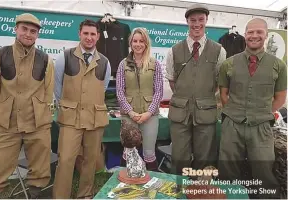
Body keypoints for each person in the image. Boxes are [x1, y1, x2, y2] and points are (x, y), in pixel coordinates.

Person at [0, 13, 55, 199]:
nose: (28, 34)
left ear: (37, 34)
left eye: (33, 31)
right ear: (16, 29)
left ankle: (36, 193)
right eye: (24, 29)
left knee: (40, 165)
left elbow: (48, 91)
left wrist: (41, 113)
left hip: (37, 122)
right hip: (7, 122)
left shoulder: (45, 59)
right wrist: (5, 111)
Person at [218, 18, 286, 199]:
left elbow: (280, 98)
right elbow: (223, 95)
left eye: (259, 32)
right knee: (227, 172)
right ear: (245, 34)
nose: (254, 36)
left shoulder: (278, 66)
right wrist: (235, 112)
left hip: (262, 127)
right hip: (232, 125)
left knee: (264, 173)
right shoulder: (229, 64)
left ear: (266, 35)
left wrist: (262, 112)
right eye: (250, 32)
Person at [165, 3, 226, 175]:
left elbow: (219, 82)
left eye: (201, 19)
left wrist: (202, 96)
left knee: (205, 158)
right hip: (180, 114)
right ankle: (179, 190)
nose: (197, 24)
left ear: (206, 20)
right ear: (187, 22)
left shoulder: (219, 51)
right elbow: (172, 81)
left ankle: (201, 192)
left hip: (205, 113)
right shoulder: (174, 51)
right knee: (179, 157)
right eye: (193, 20)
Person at [53, 19, 111, 199]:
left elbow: (102, 88)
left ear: (98, 37)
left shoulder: (105, 62)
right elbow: (57, 88)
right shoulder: (65, 56)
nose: (89, 37)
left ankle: (85, 194)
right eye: (86, 33)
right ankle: (61, 196)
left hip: (94, 118)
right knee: (65, 159)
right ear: (79, 34)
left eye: (93, 34)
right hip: (70, 118)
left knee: (90, 160)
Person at [116, 27, 164, 171]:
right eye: (135, 41)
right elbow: (119, 91)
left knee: (149, 153)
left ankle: (151, 184)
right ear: (130, 43)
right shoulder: (123, 64)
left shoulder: (154, 64)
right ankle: (124, 182)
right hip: (129, 116)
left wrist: (148, 113)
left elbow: (159, 91)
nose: (138, 44)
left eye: (141, 41)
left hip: (150, 116)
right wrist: (131, 113)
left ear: (146, 43)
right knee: (128, 150)